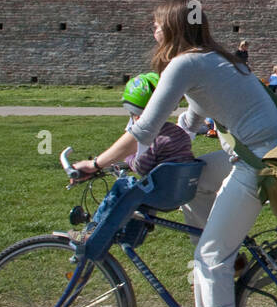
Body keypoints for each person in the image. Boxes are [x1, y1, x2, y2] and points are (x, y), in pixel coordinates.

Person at [74, 0, 277, 307]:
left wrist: (96, 163)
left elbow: (146, 130)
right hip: (255, 153)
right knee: (191, 180)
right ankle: (235, 262)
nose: (152, 31)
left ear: (172, 28)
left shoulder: (185, 64)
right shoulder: (211, 59)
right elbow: (188, 123)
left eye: (156, 25)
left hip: (261, 162)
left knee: (209, 256)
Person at [68, 72, 197, 244]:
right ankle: (131, 238)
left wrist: (129, 159)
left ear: (138, 115)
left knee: (124, 186)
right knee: (138, 197)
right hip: (181, 192)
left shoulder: (156, 137)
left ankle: (91, 232)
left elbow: (142, 166)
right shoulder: (177, 132)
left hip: (163, 193)